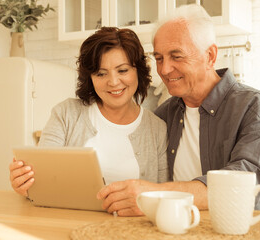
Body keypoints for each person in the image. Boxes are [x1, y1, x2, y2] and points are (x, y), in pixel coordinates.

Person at [97, 4, 260, 215]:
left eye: (177, 56)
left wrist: (155, 195)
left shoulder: (255, 107)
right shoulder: (164, 115)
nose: (164, 69)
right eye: (159, 58)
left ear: (210, 56)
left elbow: (242, 185)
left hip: (254, 227)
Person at [9, 27, 169, 215]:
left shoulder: (157, 129)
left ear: (138, 71)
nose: (113, 82)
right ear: (90, 78)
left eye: (123, 70)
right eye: (101, 73)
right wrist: (25, 186)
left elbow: (164, 197)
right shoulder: (66, 114)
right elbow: (42, 187)